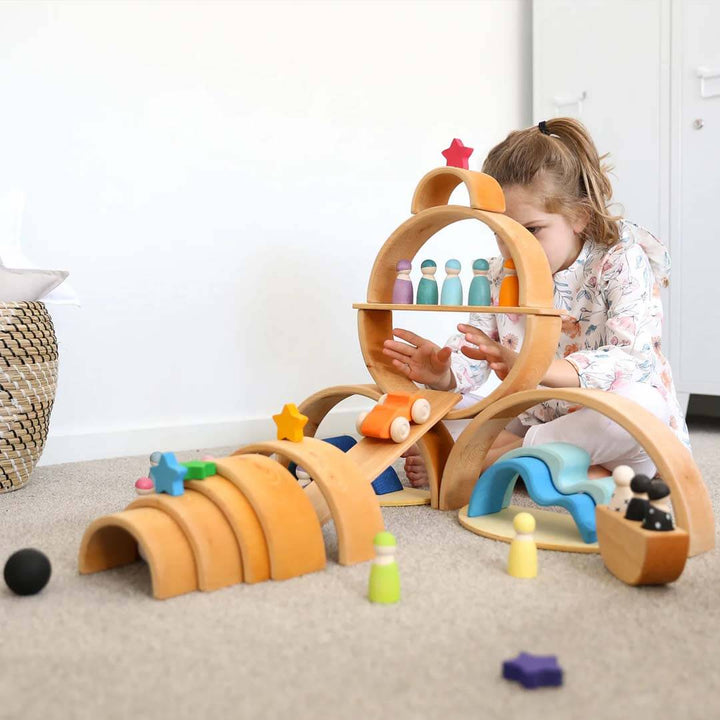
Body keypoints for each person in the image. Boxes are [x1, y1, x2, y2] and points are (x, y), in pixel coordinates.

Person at [382, 118, 690, 489]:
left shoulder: (620, 260)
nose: (515, 246)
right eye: (502, 233)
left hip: (614, 428)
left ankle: (497, 457)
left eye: (531, 231)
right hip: (538, 417)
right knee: (434, 412)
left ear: (579, 216)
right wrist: (444, 375)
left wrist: (534, 367)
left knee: (640, 408)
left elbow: (634, 359)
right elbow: (476, 353)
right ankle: (555, 466)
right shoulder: (500, 275)